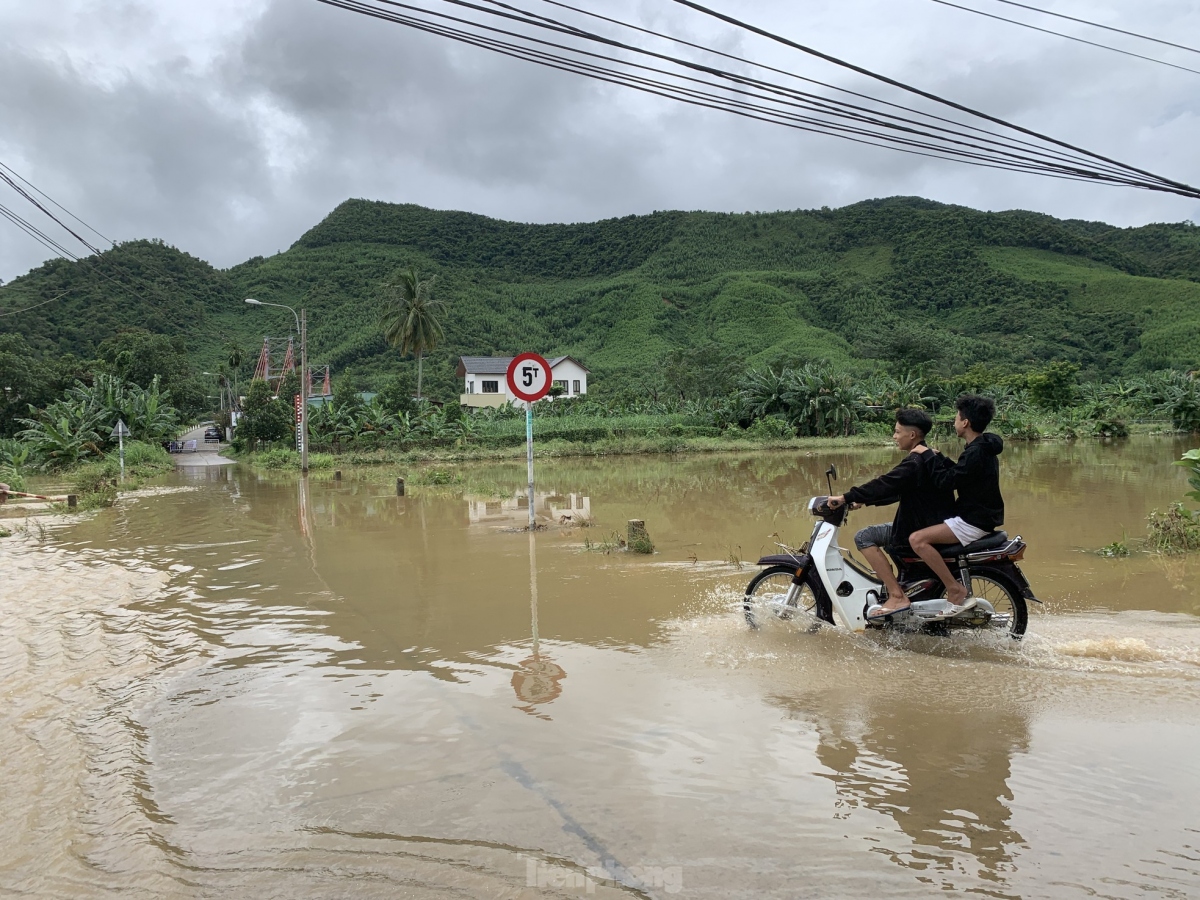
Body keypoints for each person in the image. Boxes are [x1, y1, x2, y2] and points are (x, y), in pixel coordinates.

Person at [828, 409, 955, 620]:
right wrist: (864, 500)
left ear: (912, 435)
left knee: (864, 537)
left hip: (917, 527)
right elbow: (899, 490)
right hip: (933, 523)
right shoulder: (931, 456)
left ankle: (896, 595)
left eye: (897, 432)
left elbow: (885, 483)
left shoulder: (914, 462)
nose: (894, 437)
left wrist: (845, 497)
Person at [909, 395, 1004, 614]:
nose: (954, 422)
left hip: (974, 520)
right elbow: (961, 474)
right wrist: (939, 457)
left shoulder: (976, 451)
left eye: (956, 418)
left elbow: (946, 482)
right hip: (981, 515)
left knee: (917, 539)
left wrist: (927, 455)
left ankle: (954, 588)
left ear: (965, 422)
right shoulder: (980, 447)